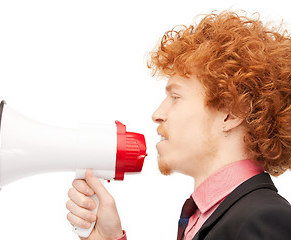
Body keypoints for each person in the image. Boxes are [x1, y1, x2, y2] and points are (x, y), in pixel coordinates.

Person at [66, 10, 291, 239]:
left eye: (175, 97)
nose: (157, 114)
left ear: (230, 115)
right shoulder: (208, 217)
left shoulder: (265, 219)